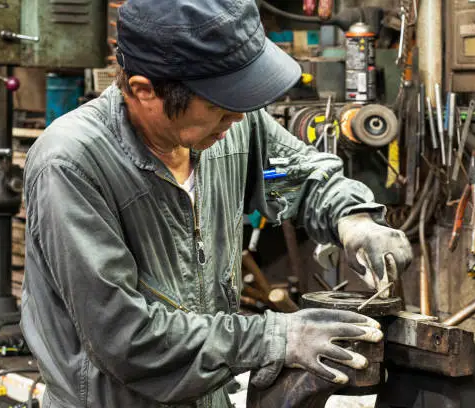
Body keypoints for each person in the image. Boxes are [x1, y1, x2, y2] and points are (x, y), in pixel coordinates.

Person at [20, 0, 413, 407]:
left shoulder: (228, 125)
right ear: (144, 90)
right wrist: (277, 338)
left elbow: (301, 174)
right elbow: (125, 337)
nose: (238, 118)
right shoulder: (71, 164)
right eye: (218, 106)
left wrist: (354, 219)